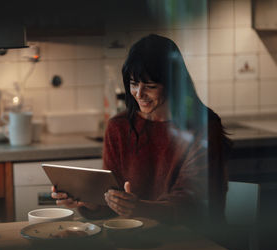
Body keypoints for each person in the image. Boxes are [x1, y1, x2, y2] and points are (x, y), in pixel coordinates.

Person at [52, 34, 232, 226]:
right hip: (138, 238)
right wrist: (89, 201)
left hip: (194, 242)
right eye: (133, 84)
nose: (139, 94)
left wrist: (138, 208)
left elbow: (192, 206)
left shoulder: (203, 127)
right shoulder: (119, 126)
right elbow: (113, 197)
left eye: (150, 86)